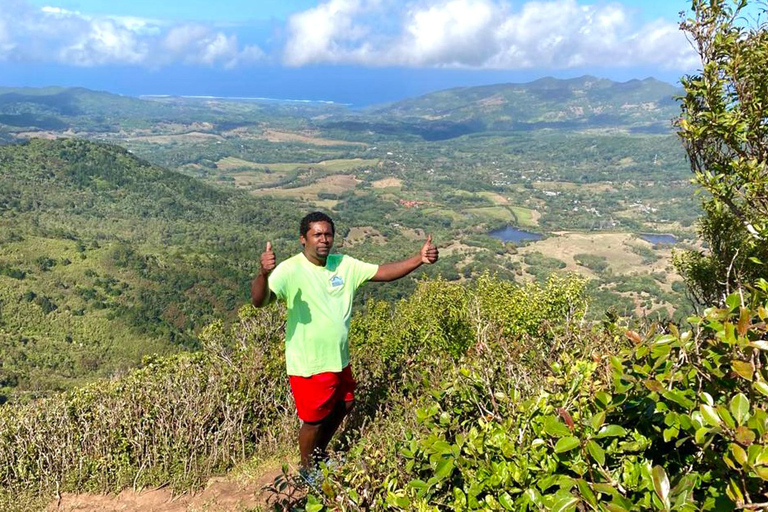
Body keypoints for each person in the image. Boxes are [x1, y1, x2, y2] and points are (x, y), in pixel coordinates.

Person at [251, 211, 438, 469]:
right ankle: (307, 468)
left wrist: (419, 259)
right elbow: (259, 301)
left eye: (328, 234)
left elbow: (383, 272)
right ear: (303, 239)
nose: (324, 239)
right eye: (317, 234)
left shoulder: (343, 265)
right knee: (314, 420)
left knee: (345, 403)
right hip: (309, 362)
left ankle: (318, 455)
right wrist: (263, 274)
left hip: (338, 357)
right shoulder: (290, 269)